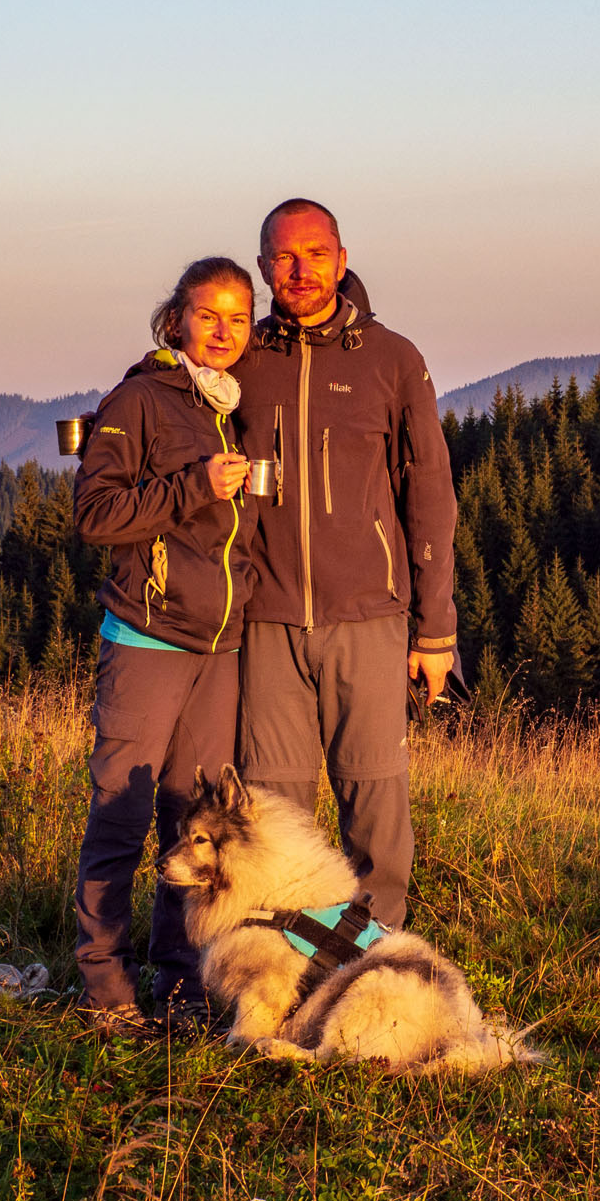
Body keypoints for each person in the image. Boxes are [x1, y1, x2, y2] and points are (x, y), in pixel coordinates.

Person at [231, 198, 457, 928]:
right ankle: (284, 956)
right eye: (284, 258)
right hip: (264, 618)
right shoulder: (243, 357)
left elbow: (429, 495)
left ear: (342, 257)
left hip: (369, 616)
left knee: (374, 800)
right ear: (264, 266)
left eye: (315, 254)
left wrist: (436, 632)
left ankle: (374, 953)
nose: (300, 270)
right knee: (273, 804)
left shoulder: (393, 359)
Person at [71, 256, 259, 1034]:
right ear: (176, 318)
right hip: (147, 638)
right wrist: (197, 486)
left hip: (219, 647)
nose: (222, 331)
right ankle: (105, 989)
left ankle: (181, 987)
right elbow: (97, 514)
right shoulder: (141, 399)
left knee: (194, 823)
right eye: (207, 314)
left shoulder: (233, 408)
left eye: (238, 318)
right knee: (122, 813)